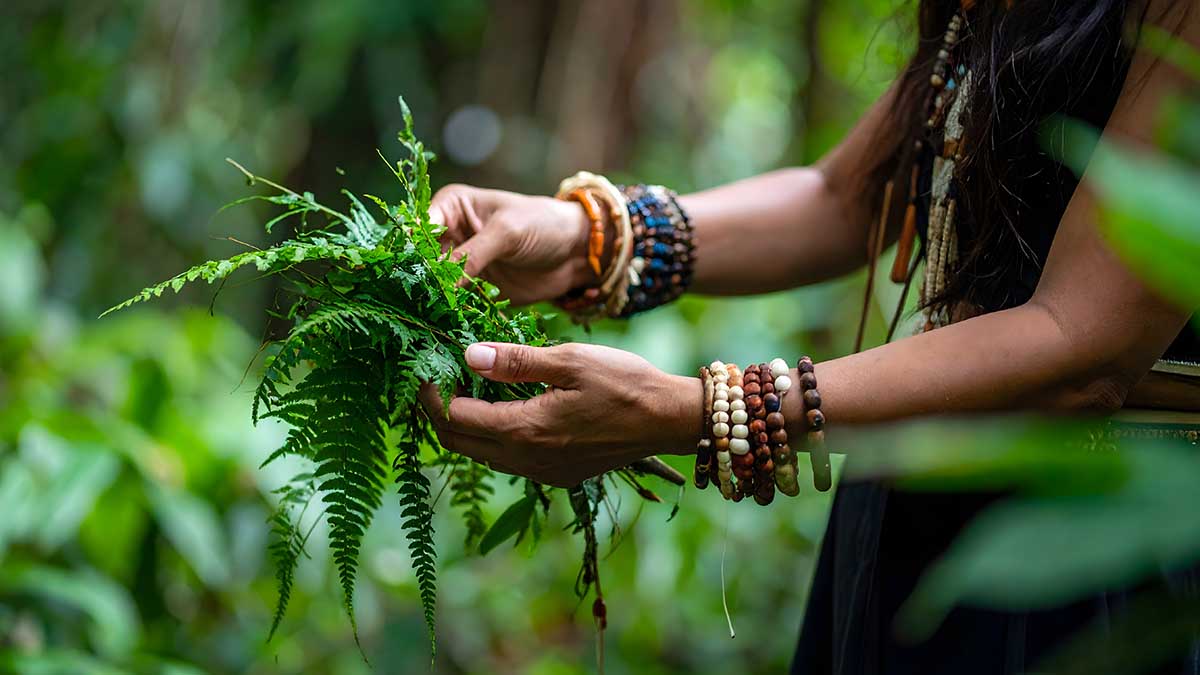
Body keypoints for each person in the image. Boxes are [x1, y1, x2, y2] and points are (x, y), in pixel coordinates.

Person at [418, 0, 1200, 671]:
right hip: (910, 507)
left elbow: (1081, 345)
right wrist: (588, 233)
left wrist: (703, 409)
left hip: (1093, 553)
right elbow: (845, 197)